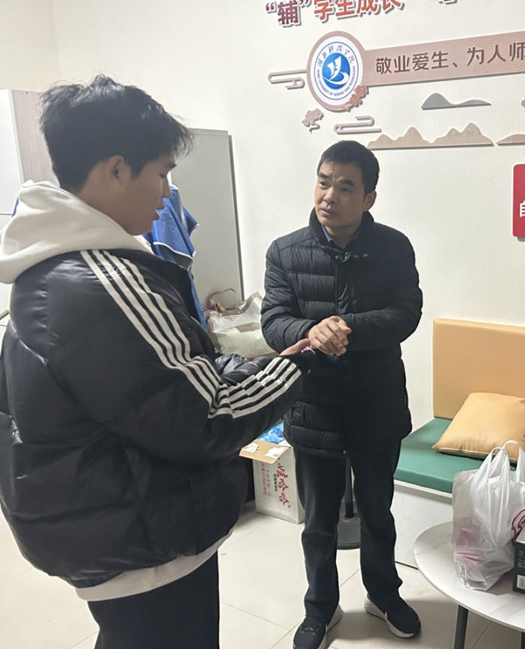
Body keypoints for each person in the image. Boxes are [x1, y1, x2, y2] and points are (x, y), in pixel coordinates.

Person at [0, 76, 311, 649]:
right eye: (162, 173)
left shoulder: (45, 271)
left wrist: (238, 368)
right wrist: (296, 363)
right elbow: (207, 415)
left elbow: (159, 385)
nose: (167, 194)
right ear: (117, 170)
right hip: (143, 537)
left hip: (101, 524)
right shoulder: (110, 283)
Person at [261, 140, 423, 649]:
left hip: (377, 404)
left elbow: (406, 314)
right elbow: (273, 321)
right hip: (314, 406)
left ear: (369, 198)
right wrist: (310, 332)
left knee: (377, 513)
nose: (329, 195)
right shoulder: (284, 251)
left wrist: (345, 327)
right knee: (318, 522)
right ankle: (320, 608)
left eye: (345, 187)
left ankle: (384, 595)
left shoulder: (394, 247)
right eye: (323, 181)